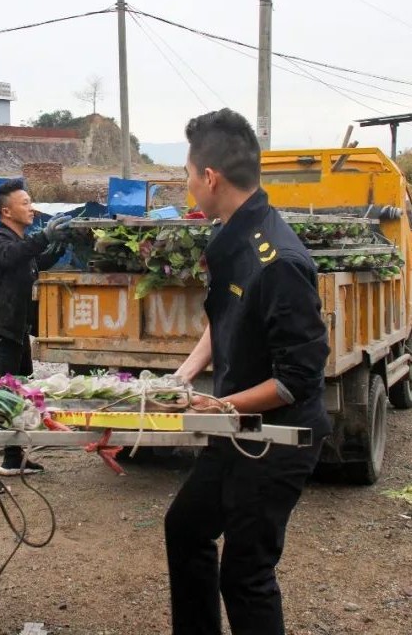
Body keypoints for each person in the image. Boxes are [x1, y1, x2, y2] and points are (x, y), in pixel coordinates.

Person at [164, 109, 331, 635]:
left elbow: (296, 380)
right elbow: (227, 319)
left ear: (209, 178)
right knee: (186, 528)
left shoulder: (278, 260)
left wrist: (222, 405)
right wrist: (184, 375)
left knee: (246, 573)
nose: (188, 183)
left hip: (279, 437)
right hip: (236, 426)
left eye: (188, 173)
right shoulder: (236, 235)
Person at [0, 179, 71, 493]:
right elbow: (12, 256)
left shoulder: (20, 242)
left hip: (17, 333)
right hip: (1, 334)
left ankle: (12, 459)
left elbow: (33, 261)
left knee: (16, 398)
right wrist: (45, 236)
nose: (31, 208)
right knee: (0, 401)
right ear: (6, 210)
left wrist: (58, 246)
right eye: (25, 202)